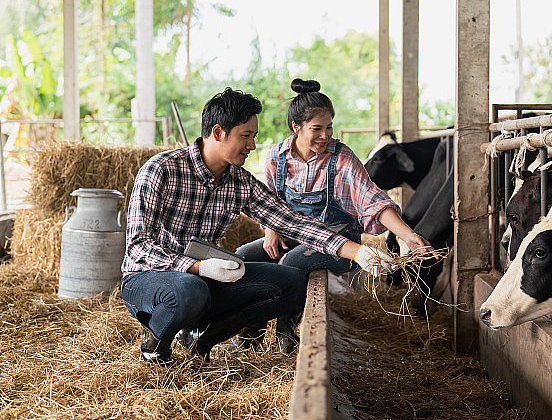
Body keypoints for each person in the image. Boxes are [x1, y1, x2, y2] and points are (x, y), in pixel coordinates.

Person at [120, 87, 393, 365]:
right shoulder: (162, 169)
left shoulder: (239, 182)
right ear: (217, 132)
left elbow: (293, 222)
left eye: (254, 137)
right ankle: (156, 345)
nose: (252, 146)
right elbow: (139, 247)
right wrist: (199, 267)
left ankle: (202, 338)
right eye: (245, 136)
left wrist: (357, 252)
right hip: (149, 280)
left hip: (201, 279)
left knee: (291, 283)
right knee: (191, 290)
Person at [235, 78, 434, 353]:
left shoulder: (341, 158)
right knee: (244, 255)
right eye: (317, 129)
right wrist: (270, 229)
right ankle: (250, 331)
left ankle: (286, 333)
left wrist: (407, 235)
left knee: (291, 261)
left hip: (339, 240)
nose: (325, 135)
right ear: (296, 128)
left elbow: (371, 199)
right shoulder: (276, 157)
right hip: (295, 236)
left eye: (329, 127)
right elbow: (268, 201)